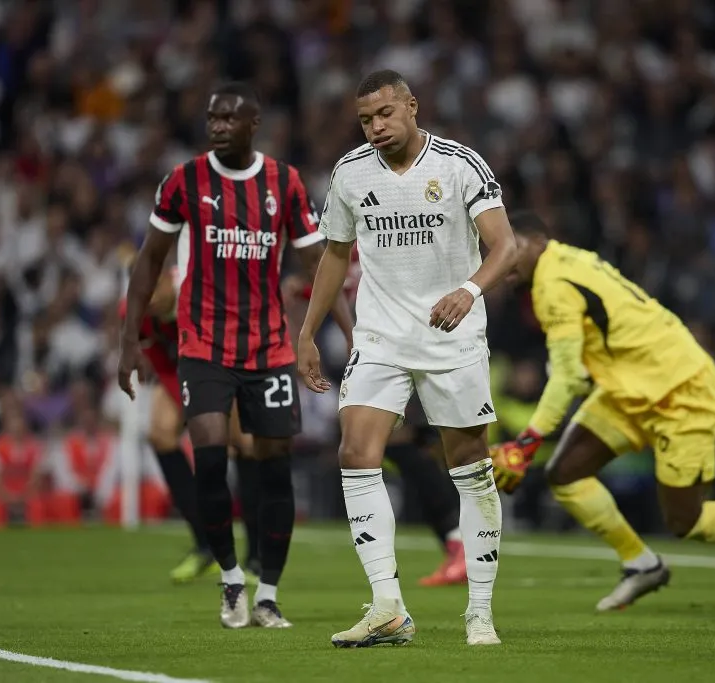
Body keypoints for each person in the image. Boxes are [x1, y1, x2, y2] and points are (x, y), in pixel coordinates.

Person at [489, 211, 715, 611]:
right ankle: (640, 563)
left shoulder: (553, 284)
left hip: (680, 389)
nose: (503, 262)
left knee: (687, 522)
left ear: (537, 241)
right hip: (629, 389)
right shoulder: (564, 261)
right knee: (565, 474)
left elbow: (567, 378)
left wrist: (527, 441)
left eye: (511, 249)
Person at [119, 81, 353, 629]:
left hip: (268, 347)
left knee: (274, 467)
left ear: (254, 124)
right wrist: (129, 338)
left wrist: (351, 333)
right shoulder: (183, 181)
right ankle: (229, 579)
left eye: (229, 119)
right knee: (209, 453)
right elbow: (148, 261)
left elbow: (319, 265)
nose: (217, 126)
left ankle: (267, 593)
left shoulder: (284, 183)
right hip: (201, 344)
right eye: (212, 118)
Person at [296, 69, 517, 647]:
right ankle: (387, 606)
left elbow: (506, 247)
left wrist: (468, 291)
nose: (376, 127)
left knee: (470, 468)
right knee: (355, 451)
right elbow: (335, 257)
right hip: (381, 336)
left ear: (412, 107)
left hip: (453, 335)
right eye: (366, 119)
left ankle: (480, 611)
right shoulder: (349, 173)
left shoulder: (458, 164)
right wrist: (308, 332)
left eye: (385, 114)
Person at [285, 247, 468, 586]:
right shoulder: (344, 256)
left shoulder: (378, 243)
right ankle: (457, 544)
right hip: (381, 357)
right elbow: (327, 286)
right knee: (403, 449)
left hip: (411, 351)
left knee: (418, 449)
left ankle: (461, 543)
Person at [115, 248, 261, 584]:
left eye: (151, 289)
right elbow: (162, 361)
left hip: (230, 363)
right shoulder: (134, 311)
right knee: (161, 433)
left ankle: (256, 558)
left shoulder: (198, 296)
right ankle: (206, 545)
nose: (146, 299)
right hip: (183, 370)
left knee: (243, 444)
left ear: (168, 277)